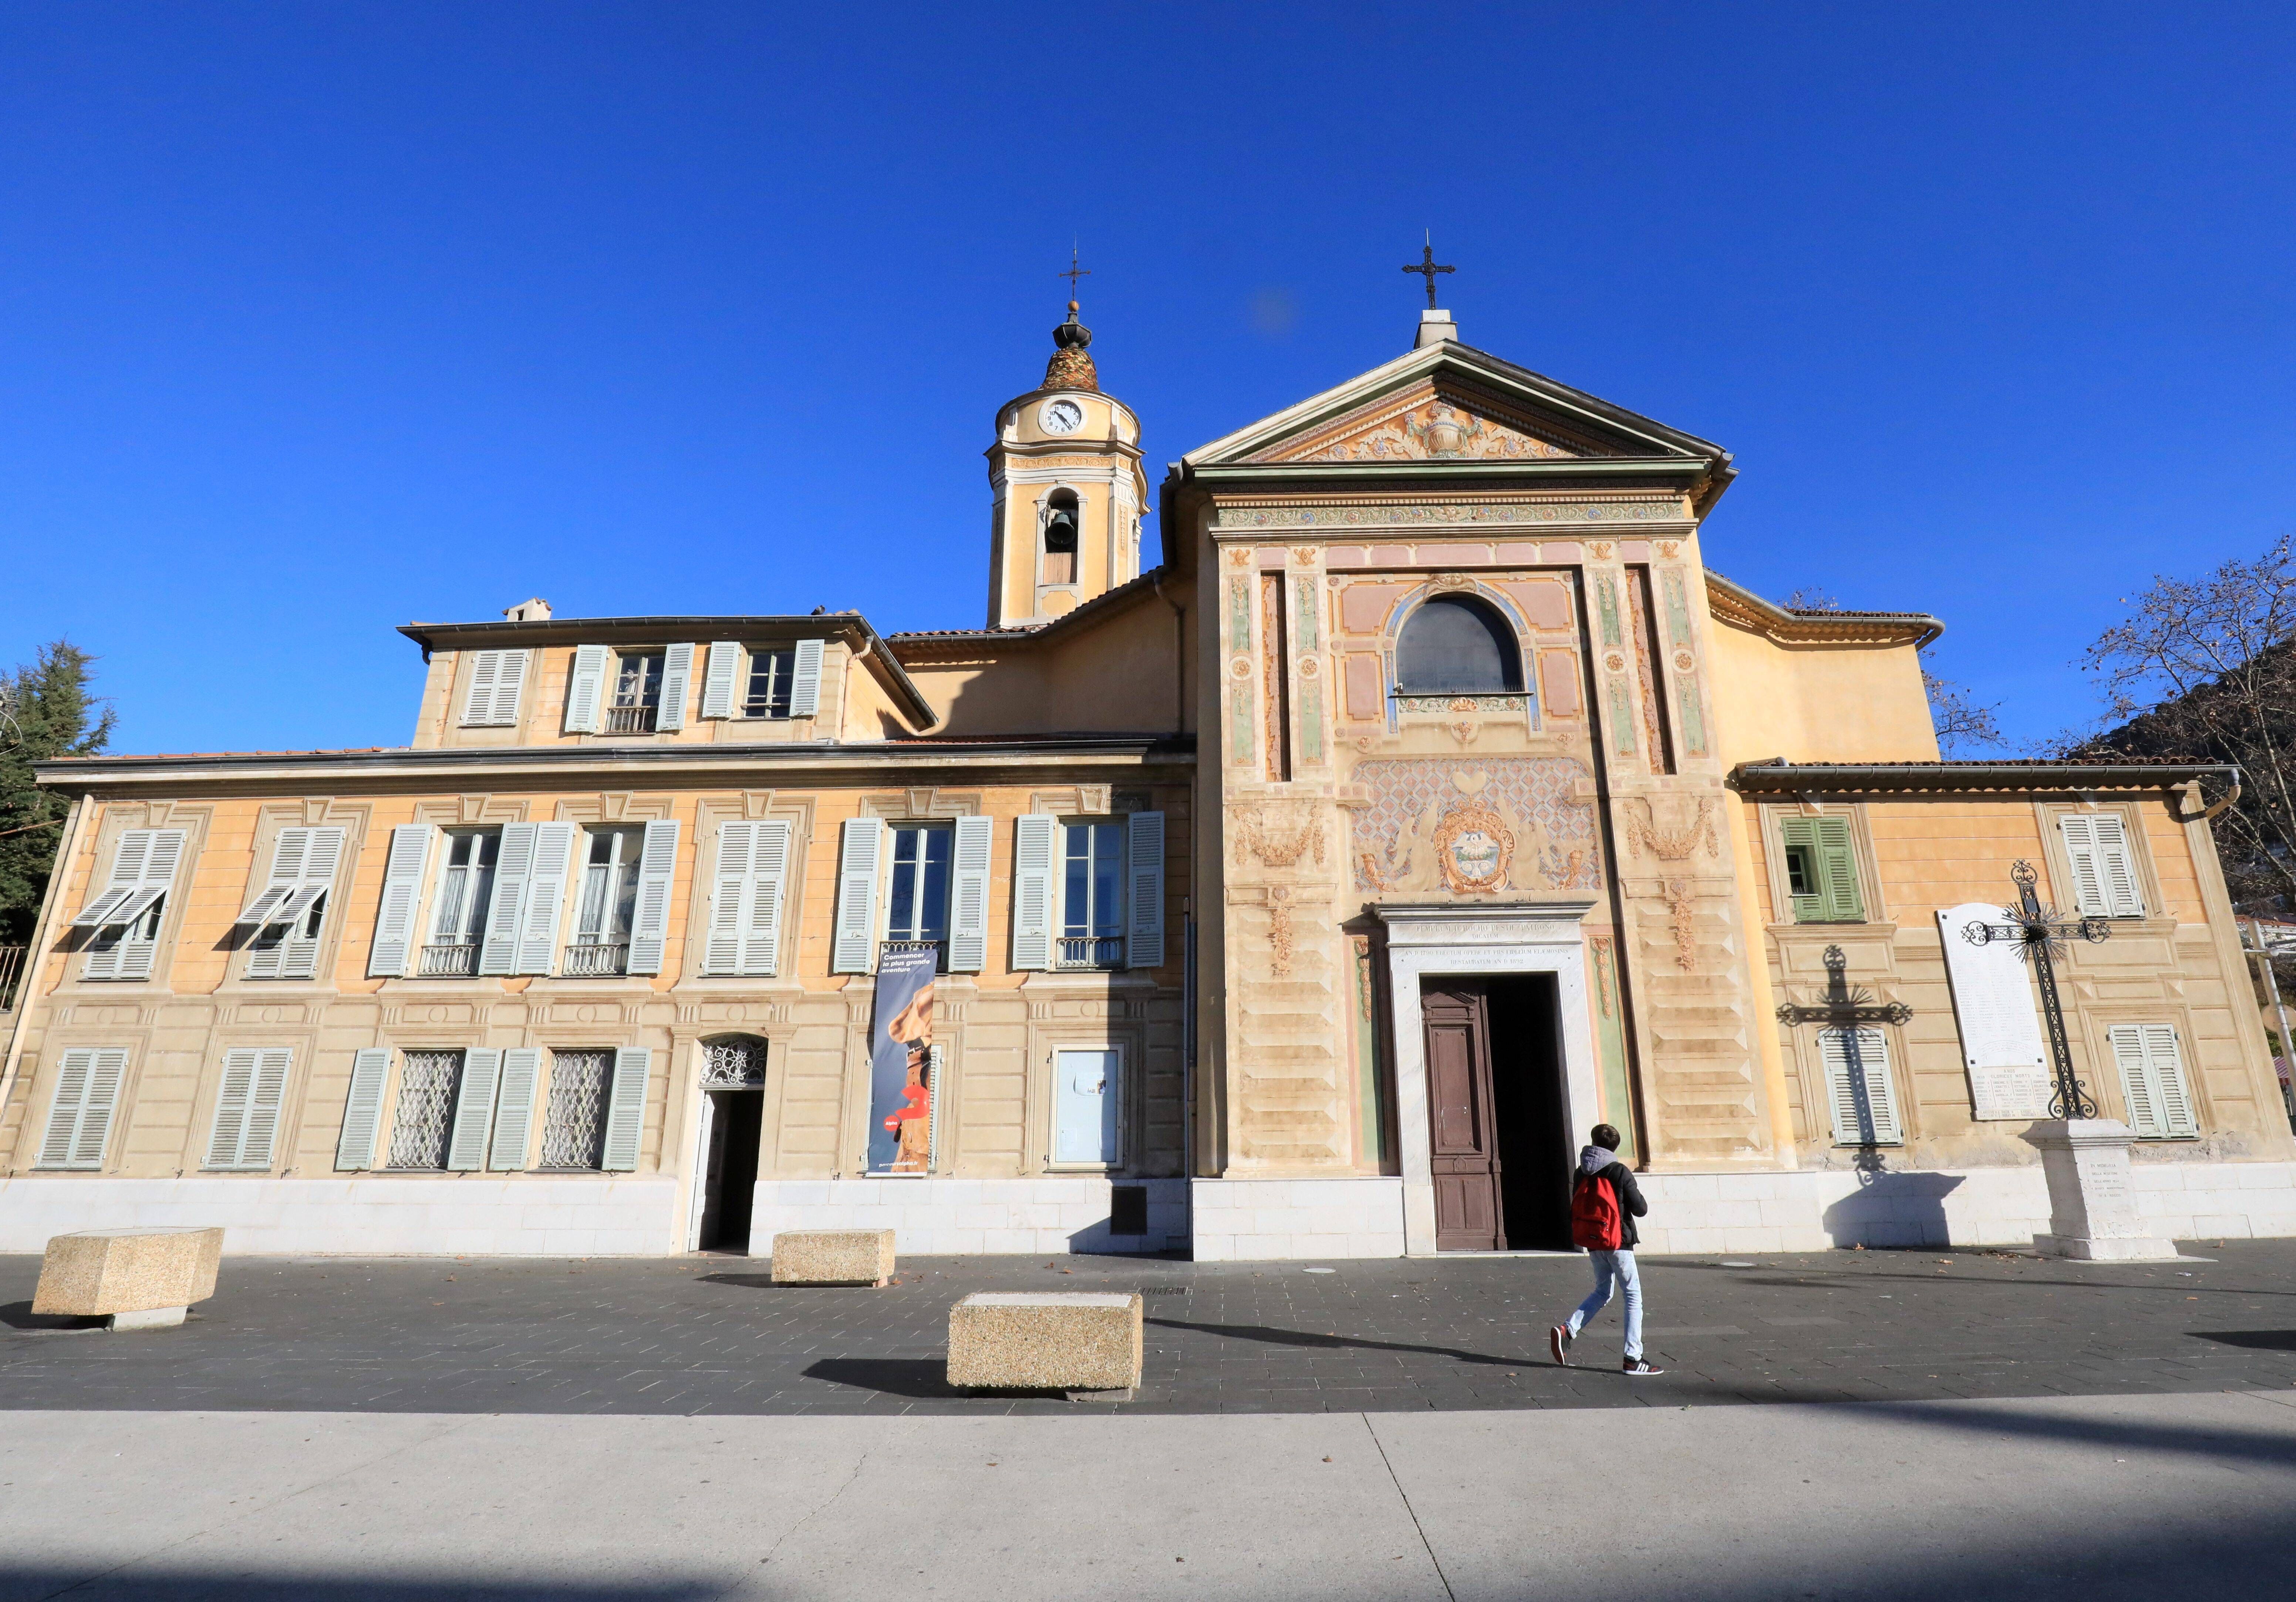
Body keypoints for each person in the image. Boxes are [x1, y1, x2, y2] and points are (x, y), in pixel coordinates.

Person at [1549, 1124, 1662, 1376]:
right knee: (1632, 1296)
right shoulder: (1619, 1171)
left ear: (1593, 1142)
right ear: (1614, 1147)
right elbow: (1640, 1209)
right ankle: (1633, 1358)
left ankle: (1568, 1330)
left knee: (1603, 1291)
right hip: (1618, 1243)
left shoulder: (1581, 1172)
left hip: (1593, 1241)